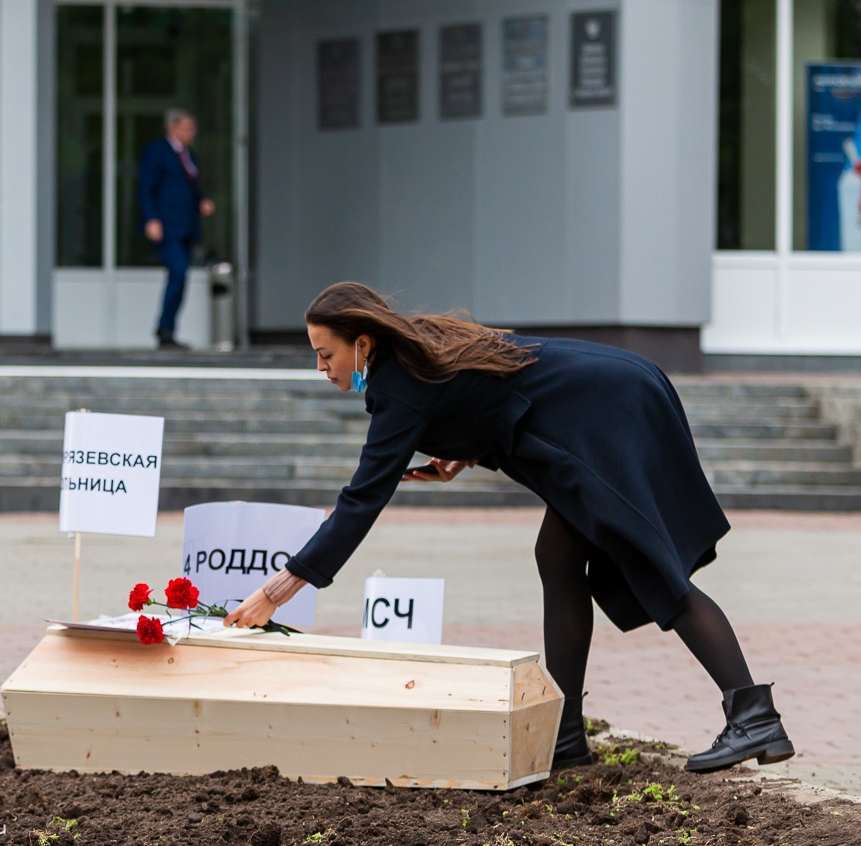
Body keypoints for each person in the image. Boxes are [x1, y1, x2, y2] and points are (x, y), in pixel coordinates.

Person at [223, 281, 796, 774]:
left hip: (606, 415)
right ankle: (566, 737)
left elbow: (360, 501)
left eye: (326, 355)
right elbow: (484, 390)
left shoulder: (397, 387)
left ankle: (753, 716)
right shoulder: (414, 350)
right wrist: (461, 452)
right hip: (613, 395)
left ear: (362, 343)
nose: (321, 368)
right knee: (559, 557)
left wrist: (278, 590)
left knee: (650, 566)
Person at [136, 108, 215, 349]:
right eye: (187, 128)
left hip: (186, 225)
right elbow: (146, 187)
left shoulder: (189, 155)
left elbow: (191, 186)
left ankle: (168, 329)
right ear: (172, 127)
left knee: (181, 277)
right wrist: (152, 219)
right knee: (178, 271)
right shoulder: (157, 151)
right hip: (166, 225)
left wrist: (201, 200)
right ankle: (164, 328)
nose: (191, 132)